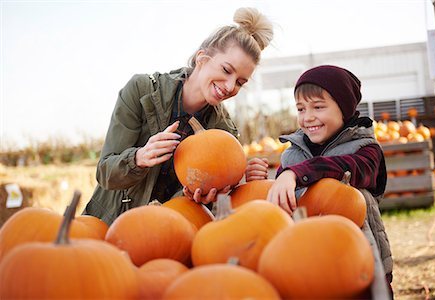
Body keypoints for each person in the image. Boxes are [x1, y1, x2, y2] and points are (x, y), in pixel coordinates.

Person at [83, 7, 274, 226]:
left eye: (241, 82)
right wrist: (139, 158)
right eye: (226, 70)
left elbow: (216, 204)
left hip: (169, 233)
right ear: (202, 58)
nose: (230, 86)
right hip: (111, 223)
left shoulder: (224, 131)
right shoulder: (141, 91)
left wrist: (228, 186)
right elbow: (105, 172)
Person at [246, 65, 394, 297]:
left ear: (344, 108)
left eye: (318, 107)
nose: (308, 117)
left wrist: (297, 173)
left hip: (359, 259)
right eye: (301, 109)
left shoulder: (366, 150)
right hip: (308, 262)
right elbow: (282, 204)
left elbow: (348, 168)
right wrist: (261, 183)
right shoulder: (291, 155)